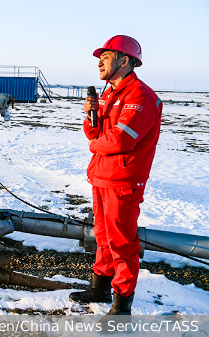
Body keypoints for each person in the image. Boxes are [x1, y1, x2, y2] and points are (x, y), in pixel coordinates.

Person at [69, 35, 163, 316]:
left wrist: (94, 144)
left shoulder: (141, 97)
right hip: (102, 175)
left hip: (123, 180)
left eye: (106, 56)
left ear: (125, 60)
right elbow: (95, 133)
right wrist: (90, 116)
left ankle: (122, 305)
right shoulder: (110, 93)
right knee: (102, 236)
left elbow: (120, 142)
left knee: (122, 241)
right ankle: (100, 288)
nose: (99, 61)